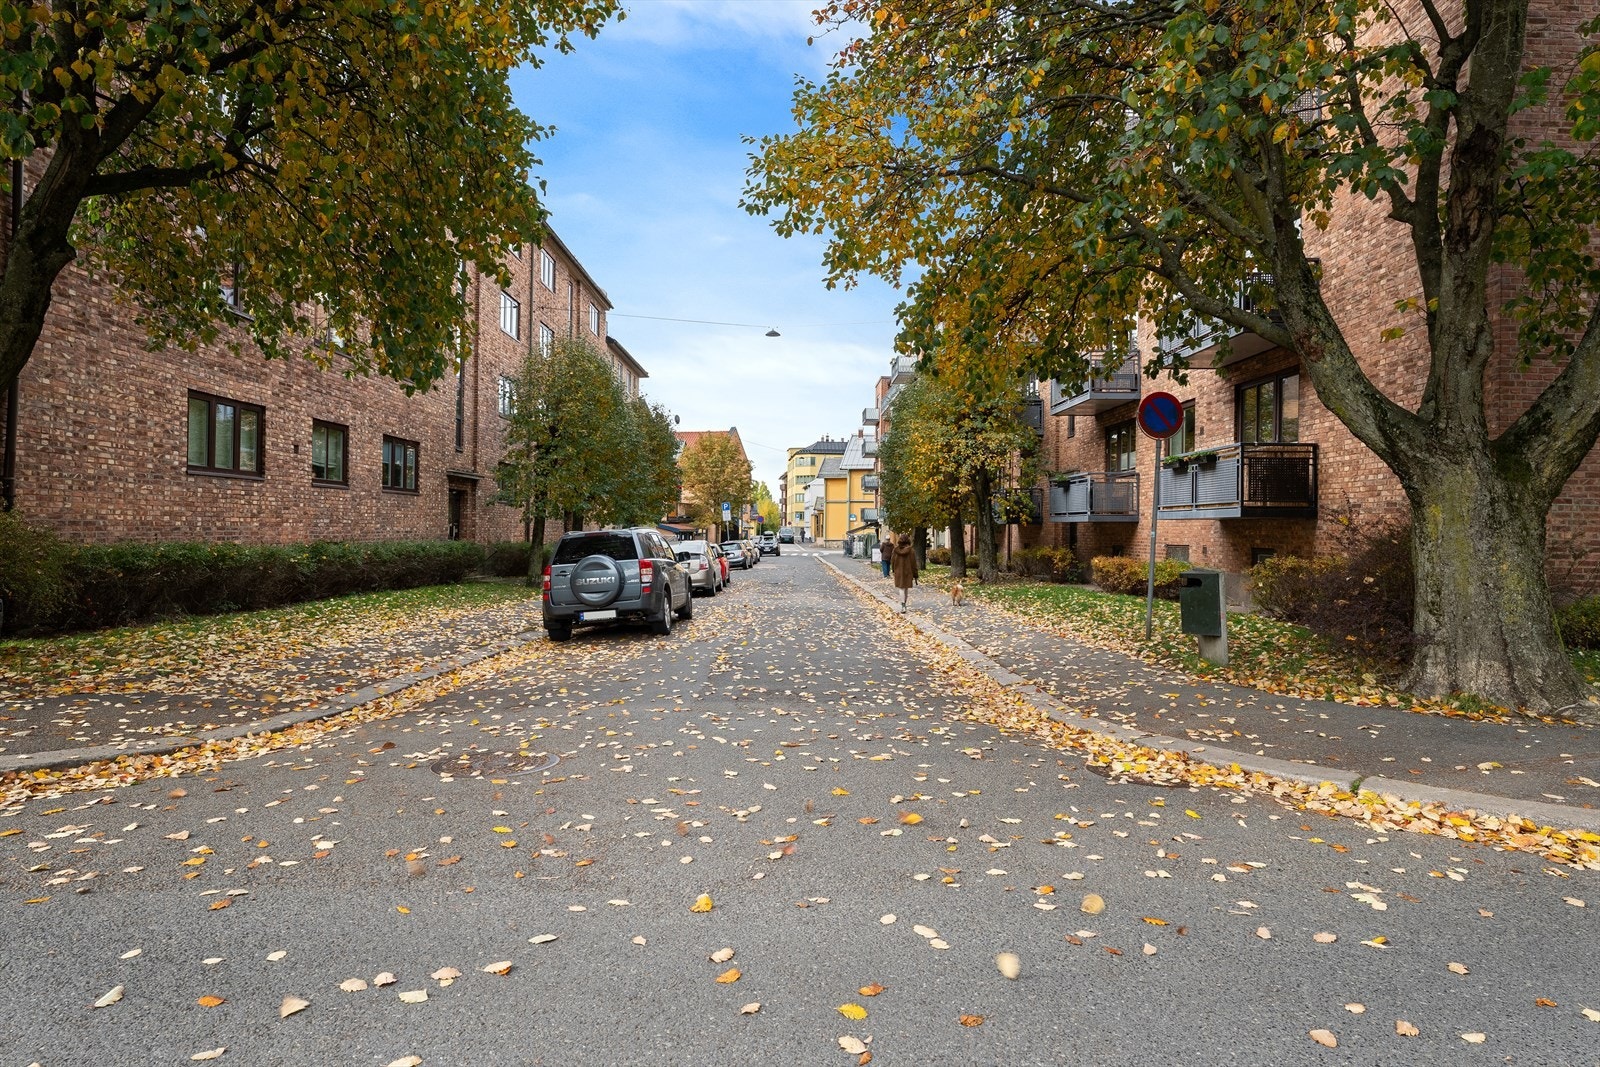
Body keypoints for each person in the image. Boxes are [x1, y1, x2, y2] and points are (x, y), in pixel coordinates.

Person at [889, 533, 918, 613]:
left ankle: (903, 605)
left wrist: (893, 570)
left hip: (898, 571)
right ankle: (904, 604)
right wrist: (915, 574)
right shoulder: (911, 550)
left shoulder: (895, 550)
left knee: (901, 588)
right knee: (906, 588)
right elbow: (913, 563)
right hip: (908, 571)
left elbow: (892, 561)